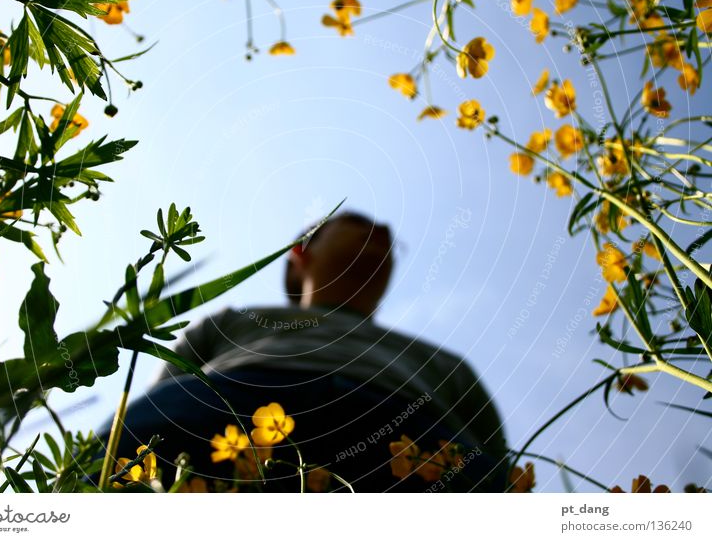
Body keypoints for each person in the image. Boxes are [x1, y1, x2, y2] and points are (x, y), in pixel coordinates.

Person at [99, 211, 508, 492]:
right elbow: (165, 396)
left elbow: (496, 459)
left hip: (408, 421)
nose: (381, 231)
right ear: (300, 253)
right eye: (356, 224)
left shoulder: (444, 362)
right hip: (235, 396)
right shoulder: (234, 319)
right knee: (116, 457)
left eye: (389, 241)